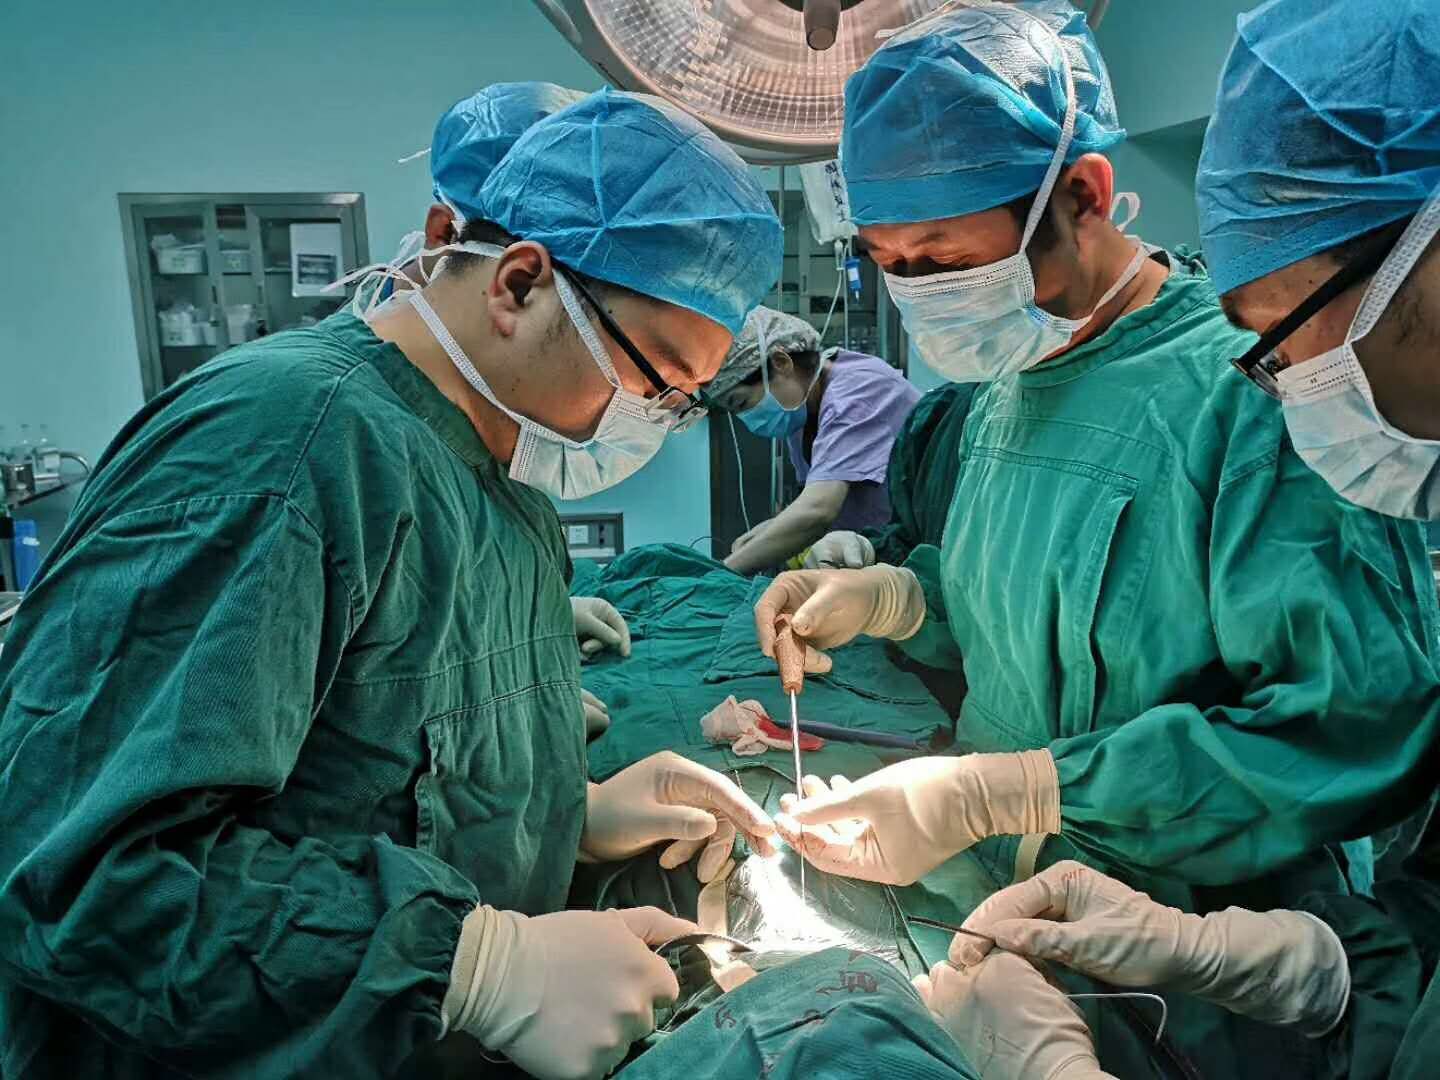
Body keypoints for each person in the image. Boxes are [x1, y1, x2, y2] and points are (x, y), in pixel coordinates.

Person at [0, 88, 785, 1080]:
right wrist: (475, 967)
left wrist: (564, 812)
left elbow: (389, 762)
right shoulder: (282, 451)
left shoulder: (503, 481)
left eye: (679, 401)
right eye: (651, 378)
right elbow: (79, 877)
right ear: (520, 284)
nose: (649, 418)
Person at [755, 3, 1440, 1069]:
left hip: (1196, 960)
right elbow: (1020, 613)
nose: (918, 293)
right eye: (889, 260)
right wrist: (900, 599)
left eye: (942, 257)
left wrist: (1020, 788)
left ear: (1080, 195)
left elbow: (1352, 727)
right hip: (994, 899)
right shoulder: (1006, 382)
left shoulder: (1261, 389)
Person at [368, 80, 634, 738]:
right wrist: (490, 737)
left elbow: (404, 617)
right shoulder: (300, 446)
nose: (635, 407)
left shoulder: (483, 420)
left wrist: (526, 626)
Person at [706, 305, 920, 574]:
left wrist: (722, 572)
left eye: (741, 403)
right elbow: (819, 500)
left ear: (781, 363)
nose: (746, 418)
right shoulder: (804, 413)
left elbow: (818, 511)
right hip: (876, 555)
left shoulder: (859, 390)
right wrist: (771, 530)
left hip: (917, 551)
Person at [802, 378, 979, 570]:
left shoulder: (857, 389)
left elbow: (820, 506)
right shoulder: (941, 411)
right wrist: (869, 551)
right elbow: (909, 539)